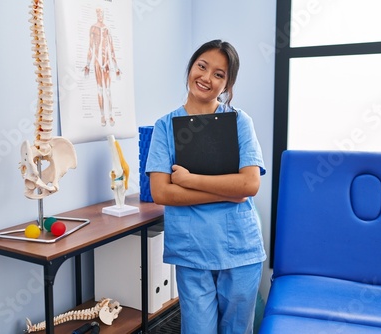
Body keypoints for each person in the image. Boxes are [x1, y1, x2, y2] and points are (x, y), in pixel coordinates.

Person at [145, 40, 266, 333]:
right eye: (202, 66)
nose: (206, 77)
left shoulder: (239, 122)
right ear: (191, 67)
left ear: (227, 83)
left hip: (240, 248)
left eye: (219, 74)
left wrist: (188, 181)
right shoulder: (165, 126)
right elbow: (161, 192)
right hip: (193, 250)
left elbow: (249, 183)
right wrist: (228, 189)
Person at [84, 7, 121, 127]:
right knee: (100, 90)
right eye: (98, 13)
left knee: (108, 91)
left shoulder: (106, 29)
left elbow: (112, 48)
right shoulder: (93, 28)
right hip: (97, 62)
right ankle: (102, 116)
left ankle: (110, 115)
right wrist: (87, 64)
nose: (100, 15)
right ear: (96, 14)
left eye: (102, 13)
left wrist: (116, 67)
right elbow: (90, 47)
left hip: (106, 63)